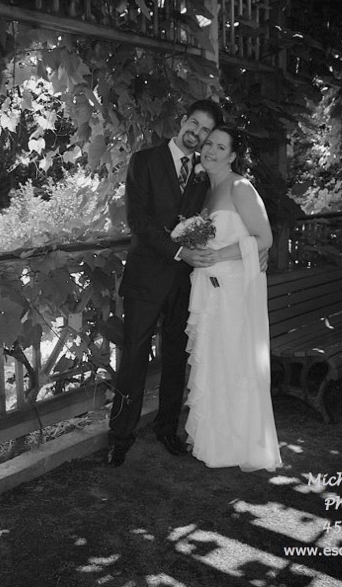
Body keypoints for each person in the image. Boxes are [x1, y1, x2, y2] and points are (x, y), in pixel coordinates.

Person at [106, 99, 225, 467]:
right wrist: (178, 252)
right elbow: (138, 221)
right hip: (146, 279)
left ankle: (167, 428)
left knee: (176, 358)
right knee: (134, 359)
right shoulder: (144, 161)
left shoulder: (204, 173)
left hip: (182, 282)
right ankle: (120, 436)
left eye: (206, 130)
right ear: (182, 121)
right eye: (195, 123)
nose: (198, 133)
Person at [183, 125, 282, 471]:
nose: (210, 150)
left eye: (220, 147)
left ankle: (241, 444)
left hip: (234, 292)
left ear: (233, 155)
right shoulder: (206, 192)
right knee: (214, 363)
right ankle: (216, 443)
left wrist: (222, 254)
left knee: (235, 363)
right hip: (208, 291)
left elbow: (265, 237)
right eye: (209, 143)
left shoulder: (241, 187)